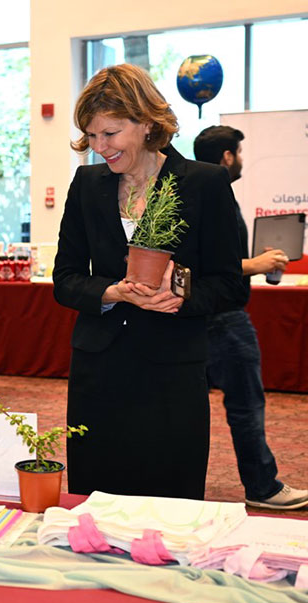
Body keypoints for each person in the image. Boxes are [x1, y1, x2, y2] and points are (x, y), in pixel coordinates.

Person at [53, 64, 246, 499]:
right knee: (95, 503)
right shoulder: (86, 184)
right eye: (92, 135)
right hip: (98, 374)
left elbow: (231, 285)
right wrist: (110, 292)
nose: (99, 147)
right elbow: (65, 279)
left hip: (171, 376)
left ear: (145, 122)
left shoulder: (203, 183)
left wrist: (178, 296)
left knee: (169, 503)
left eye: (111, 133)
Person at [192, 125, 308, 509]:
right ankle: (263, 488)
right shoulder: (214, 194)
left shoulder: (199, 192)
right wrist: (255, 263)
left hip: (208, 317)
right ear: (227, 156)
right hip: (223, 319)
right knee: (246, 406)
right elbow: (206, 264)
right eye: (239, 152)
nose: (241, 159)